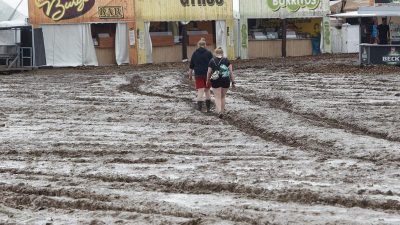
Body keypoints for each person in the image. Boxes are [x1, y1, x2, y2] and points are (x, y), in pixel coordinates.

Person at [206, 47, 236, 118]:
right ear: (222, 53)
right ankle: (222, 111)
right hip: (225, 80)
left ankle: (219, 111)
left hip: (215, 80)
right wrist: (233, 82)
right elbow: (231, 72)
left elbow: (209, 72)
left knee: (217, 97)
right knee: (222, 97)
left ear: (215, 53)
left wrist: (207, 80)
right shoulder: (226, 60)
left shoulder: (211, 61)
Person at [189, 38, 213, 112]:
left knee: (200, 91)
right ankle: (208, 109)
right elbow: (213, 64)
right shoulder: (209, 53)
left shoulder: (195, 53)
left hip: (198, 74)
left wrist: (190, 75)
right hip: (207, 74)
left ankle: (199, 109)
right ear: (205, 45)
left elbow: (191, 66)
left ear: (198, 45)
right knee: (207, 91)